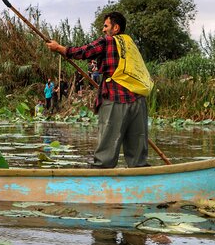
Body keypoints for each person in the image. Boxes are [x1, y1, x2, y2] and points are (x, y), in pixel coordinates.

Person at [46, 11, 149, 168]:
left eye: (106, 26)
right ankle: (140, 175)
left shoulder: (108, 41)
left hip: (116, 99)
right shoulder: (131, 45)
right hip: (139, 102)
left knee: (106, 151)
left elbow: (83, 52)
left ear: (116, 28)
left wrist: (59, 48)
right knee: (138, 154)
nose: (103, 29)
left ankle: (101, 176)